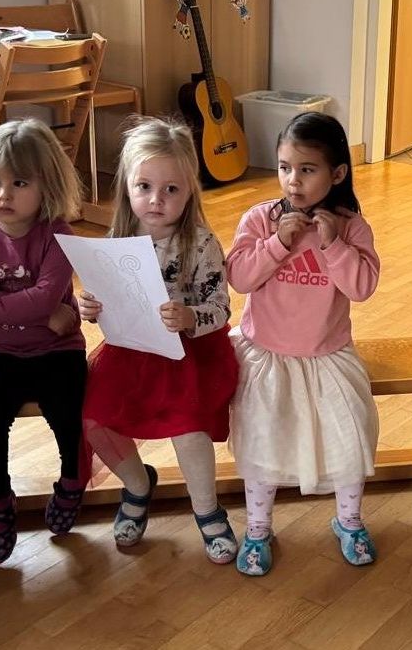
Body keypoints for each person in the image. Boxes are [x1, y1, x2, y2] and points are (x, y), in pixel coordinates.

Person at [78, 117, 239, 563]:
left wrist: (190, 316)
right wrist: (90, 307)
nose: (156, 199)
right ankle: (137, 484)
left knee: (188, 427)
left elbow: (222, 307)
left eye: (171, 189)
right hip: (130, 351)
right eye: (144, 186)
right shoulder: (116, 240)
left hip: (190, 352)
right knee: (94, 420)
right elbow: (103, 299)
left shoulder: (200, 242)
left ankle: (207, 511)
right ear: (127, 188)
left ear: (190, 191)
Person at [227, 112, 380, 575]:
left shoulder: (352, 226)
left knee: (349, 437)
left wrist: (333, 245)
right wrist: (275, 243)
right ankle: (257, 527)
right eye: (284, 167)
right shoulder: (259, 219)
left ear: (336, 174)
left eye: (307, 169)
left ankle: (349, 519)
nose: (293, 181)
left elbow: (362, 288)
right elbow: (238, 277)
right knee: (262, 440)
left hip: (326, 356)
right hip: (267, 354)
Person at [0, 118, 86, 565]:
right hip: (0, 354)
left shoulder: (58, 234)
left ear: (45, 184)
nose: (3, 194)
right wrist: (35, 310)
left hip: (59, 352)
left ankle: (73, 480)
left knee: (71, 417)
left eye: (19, 182)